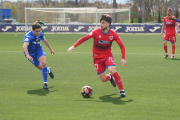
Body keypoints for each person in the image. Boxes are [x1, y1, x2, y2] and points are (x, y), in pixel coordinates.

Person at [68, 14, 127, 97]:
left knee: (113, 70)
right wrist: (74, 46)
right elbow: (84, 38)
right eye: (101, 22)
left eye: (103, 23)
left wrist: (123, 58)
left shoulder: (113, 34)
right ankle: (110, 78)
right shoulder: (96, 32)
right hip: (97, 58)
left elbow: (122, 46)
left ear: (108, 24)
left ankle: (121, 90)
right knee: (103, 79)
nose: (101, 24)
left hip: (107, 56)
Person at [23, 23, 54, 89]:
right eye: (36, 31)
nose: (38, 33)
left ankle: (45, 83)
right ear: (33, 30)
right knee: (42, 69)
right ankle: (48, 70)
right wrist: (28, 55)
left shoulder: (40, 33)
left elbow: (44, 40)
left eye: (39, 31)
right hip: (31, 54)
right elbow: (25, 45)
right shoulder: (28, 36)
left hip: (38, 50)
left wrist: (50, 48)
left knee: (44, 63)